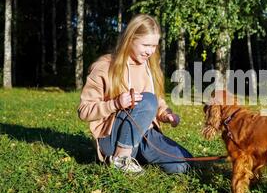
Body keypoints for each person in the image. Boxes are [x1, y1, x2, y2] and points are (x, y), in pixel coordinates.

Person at [78, 14, 192, 174]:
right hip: (112, 139)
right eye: (145, 45)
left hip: (143, 133)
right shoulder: (104, 67)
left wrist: (166, 114)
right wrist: (115, 104)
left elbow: (156, 102)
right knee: (148, 100)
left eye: (154, 46)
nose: (150, 51)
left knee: (185, 164)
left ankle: (135, 156)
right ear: (130, 39)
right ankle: (121, 158)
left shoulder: (151, 67)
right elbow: (84, 111)